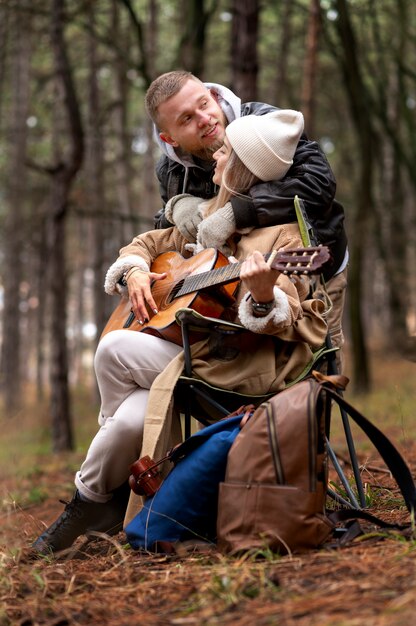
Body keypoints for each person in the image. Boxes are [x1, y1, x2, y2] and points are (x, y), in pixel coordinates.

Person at [32, 109, 328, 556]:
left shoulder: (282, 237)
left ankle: (116, 491)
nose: (215, 158)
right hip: (192, 356)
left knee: (113, 346)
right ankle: (92, 502)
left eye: (225, 151)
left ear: (243, 166)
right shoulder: (210, 216)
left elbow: (286, 311)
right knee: (129, 421)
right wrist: (134, 271)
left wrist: (264, 295)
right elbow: (148, 244)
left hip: (238, 369)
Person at [145, 71, 348, 366]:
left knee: (318, 366)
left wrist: (237, 211)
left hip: (314, 266)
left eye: (204, 104)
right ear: (169, 138)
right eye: (186, 119)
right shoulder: (171, 172)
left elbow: (318, 182)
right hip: (234, 288)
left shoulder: (264, 124)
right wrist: (174, 210)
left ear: (214, 95)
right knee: (249, 373)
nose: (204, 119)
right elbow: (171, 238)